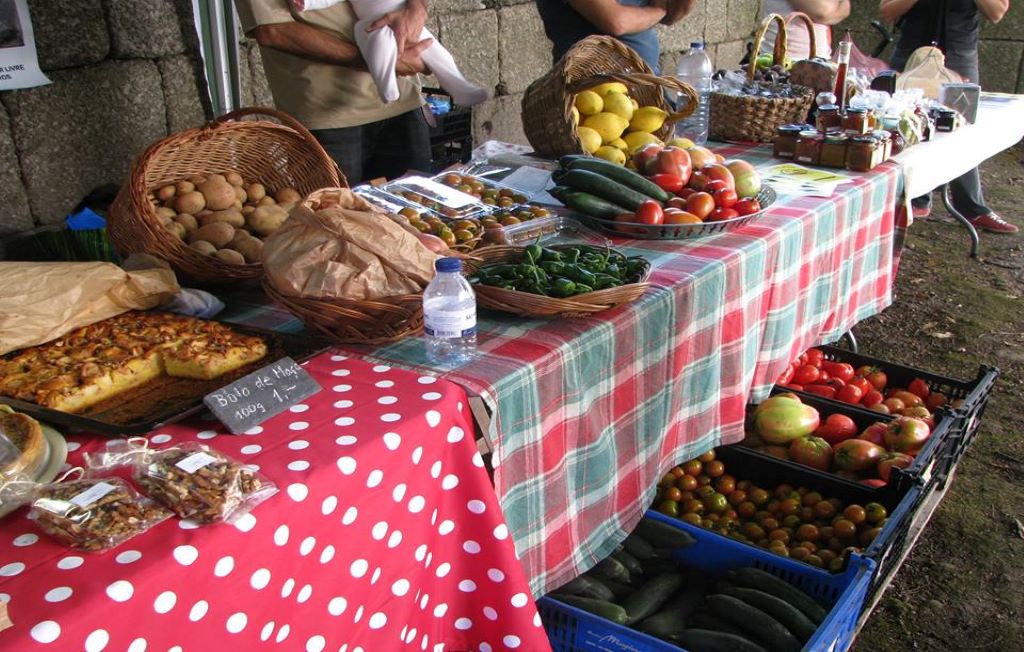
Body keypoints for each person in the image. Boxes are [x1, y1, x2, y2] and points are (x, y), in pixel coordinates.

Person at [234, 0, 433, 184]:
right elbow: (273, 31)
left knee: (415, 214)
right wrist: (379, 61)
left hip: (404, 99)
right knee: (334, 216)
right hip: (328, 115)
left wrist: (417, 7)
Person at [880, 0, 1016, 233]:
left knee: (964, 130)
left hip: (960, 54)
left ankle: (972, 207)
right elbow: (887, 11)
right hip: (911, 54)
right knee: (900, 123)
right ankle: (910, 197)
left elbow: (997, 12)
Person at [292, 0, 488, 106]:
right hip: (373, 23)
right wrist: (307, 2)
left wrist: (416, 9)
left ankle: (460, 88)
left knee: (439, 54)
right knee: (380, 46)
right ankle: (386, 85)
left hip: (407, 22)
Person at [536, 0, 696, 73]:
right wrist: (659, 11)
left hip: (644, 87)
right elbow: (616, 22)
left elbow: (670, 16)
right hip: (591, 94)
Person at [760, 0, 851, 60]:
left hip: (811, 63)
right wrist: (839, 5)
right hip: (788, 64)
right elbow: (823, 12)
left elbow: (846, 9)